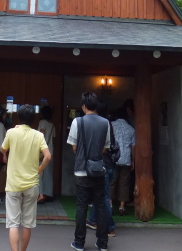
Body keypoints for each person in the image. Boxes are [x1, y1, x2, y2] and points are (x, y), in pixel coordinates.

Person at [0, 104, 51, 251]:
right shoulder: (38, 135)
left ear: (18, 117)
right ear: (33, 119)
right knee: (27, 224)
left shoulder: (11, 132)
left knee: (13, 224)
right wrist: (40, 169)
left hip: (13, 184)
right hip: (31, 184)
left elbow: (2, 149)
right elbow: (48, 156)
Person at [67, 92, 111, 251]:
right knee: (100, 205)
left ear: (84, 106)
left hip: (81, 170)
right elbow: (106, 147)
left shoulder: (77, 122)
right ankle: (102, 243)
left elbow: (73, 146)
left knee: (81, 206)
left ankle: (79, 242)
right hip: (99, 169)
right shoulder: (105, 122)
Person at [86, 100, 116, 237]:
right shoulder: (108, 123)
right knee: (100, 194)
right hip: (109, 164)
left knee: (103, 197)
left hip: (103, 163)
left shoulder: (102, 124)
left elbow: (104, 146)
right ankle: (93, 220)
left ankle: (110, 227)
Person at [110, 107, 136, 216]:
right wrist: (133, 161)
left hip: (113, 158)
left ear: (116, 116)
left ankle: (110, 205)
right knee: (124, 183)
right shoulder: (131, 129)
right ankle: (122, 207)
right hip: (126, 158)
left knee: (112, 182)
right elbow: (133, 147)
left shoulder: (111, 125)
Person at [37, 105, 56, 203]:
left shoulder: (42, 123)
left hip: (43, 151)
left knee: (40, 173)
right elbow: (53, 138)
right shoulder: (52, 125)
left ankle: (41, 195)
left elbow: (42, 135)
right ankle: (49, 194)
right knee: (49, 174)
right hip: (51, 151)